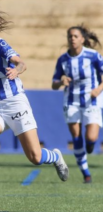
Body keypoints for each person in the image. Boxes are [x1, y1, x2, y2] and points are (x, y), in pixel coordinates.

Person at [0, 5, 69, 196]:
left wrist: (17, 70)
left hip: (15, 102)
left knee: (35, 156)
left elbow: (20, 62)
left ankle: (55, 156)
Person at [52, 24, 103, 183]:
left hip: (91, 100)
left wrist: (98, 89)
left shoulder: (93, 56)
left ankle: (90, 145)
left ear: (82, 39)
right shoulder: (63, 59)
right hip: (71, 101)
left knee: (91, 137)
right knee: (76, 137)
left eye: (75, 36)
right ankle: (86, 173)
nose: (72, 39)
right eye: (70, 36)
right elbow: (54, 84)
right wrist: (61, 81)